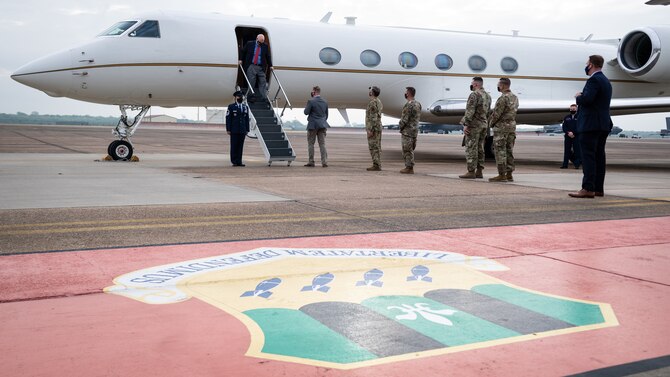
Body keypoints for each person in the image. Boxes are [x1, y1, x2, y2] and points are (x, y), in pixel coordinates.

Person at [569, 55, 612, 198]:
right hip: (603, 125)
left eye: (587, 63)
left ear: (592, 64)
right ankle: (598, 188)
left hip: (590, 125)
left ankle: (587, 188)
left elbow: (587, 99)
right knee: (599, 157)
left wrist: (578, 96)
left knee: (588, 157)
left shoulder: (594, 80)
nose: (586, 66)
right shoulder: (606, 81)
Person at [488, 77, 519, 182]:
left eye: (499, 85)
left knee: (500, 151)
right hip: (511, 127)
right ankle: (509, 174)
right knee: (509, 150)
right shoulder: (515, 97)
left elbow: (496, 114)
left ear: (503, 85)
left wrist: (490, 124)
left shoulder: (503, 98)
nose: (498, 87)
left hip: (501, 128)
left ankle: (502, 174)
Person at [459, 77, 490, 179]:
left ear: (476, 85)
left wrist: (466, 124)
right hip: (483, 125)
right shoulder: (487, 95)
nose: (471, 85)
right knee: (480, 148)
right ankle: (479, 171)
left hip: (474, 125)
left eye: (472, 84)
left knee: (471, 147)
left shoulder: (474, 95)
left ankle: (471, 171)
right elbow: (488, 112)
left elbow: (470, 111)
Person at [238, 34, 273, 101]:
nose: (261, 43)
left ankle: (264, 97)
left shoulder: (265, 46)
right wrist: (240, 59)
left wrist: (270, 66)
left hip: (261, 67)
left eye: (262, 42)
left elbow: (268, 56)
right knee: (251, 81)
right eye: (260, 42)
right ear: (257, 39)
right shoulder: (250, 44)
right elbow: (243, 52)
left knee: (263, 81)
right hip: (251, 65)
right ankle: (251, 96)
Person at [304, 85, 330, 167]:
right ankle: (324, 162)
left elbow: (306, 112)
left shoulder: (311, 101)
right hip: (322, 125)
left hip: (313, 125)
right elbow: (326, 115)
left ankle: (311, 161)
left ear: (314, 92)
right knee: (322, 144)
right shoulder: (325, 102)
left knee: (311, 144)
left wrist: (308, 103)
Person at [398, 87, 422, 174]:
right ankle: (409, 166)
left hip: (407, 131)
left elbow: (405, 119)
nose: (405, 93)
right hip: (414, 130)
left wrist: (400, 126)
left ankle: (409, 167)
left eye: (406, 92)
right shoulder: (418, 104)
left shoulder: (409, 105)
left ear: (408, 93)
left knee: (407, 149)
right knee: (411, 148)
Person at [225, 91, 250, 166]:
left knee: (240, 146)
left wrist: (247, 129)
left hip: (242, 130)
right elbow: (228, 118)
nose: (240, 98)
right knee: (234, 146)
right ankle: (234, 161)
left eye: (241, 96)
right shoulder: (231, 106)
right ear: (235, 98)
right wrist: (228, 129)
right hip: (234, 130)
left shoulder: (245, 107)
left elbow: (246, 119)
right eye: (239, 97)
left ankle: (239, 161)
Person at [365, 86, 383, 171]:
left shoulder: (372, 103)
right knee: (377, 146)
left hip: (374, 128)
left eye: (370, 91)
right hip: (378, 127)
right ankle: (377, 164)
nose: (369, 92)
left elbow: (373, 117)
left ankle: (376, 165)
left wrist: (370, 130)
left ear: (372, 92)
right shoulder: (378, 102)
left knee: (373, 147)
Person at [561, 104, 581, 169]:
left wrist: (573, 133)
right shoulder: (566, 117)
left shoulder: (580, 117)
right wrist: (568, 132)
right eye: (571, 109)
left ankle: (577, 164)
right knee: (567, 151)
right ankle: (565, 165)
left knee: (577, 151)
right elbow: (564, 127)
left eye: (574, 109)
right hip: (567, 136)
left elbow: (580, 126)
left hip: (576, 136)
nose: (572, 110)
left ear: (576, 109)